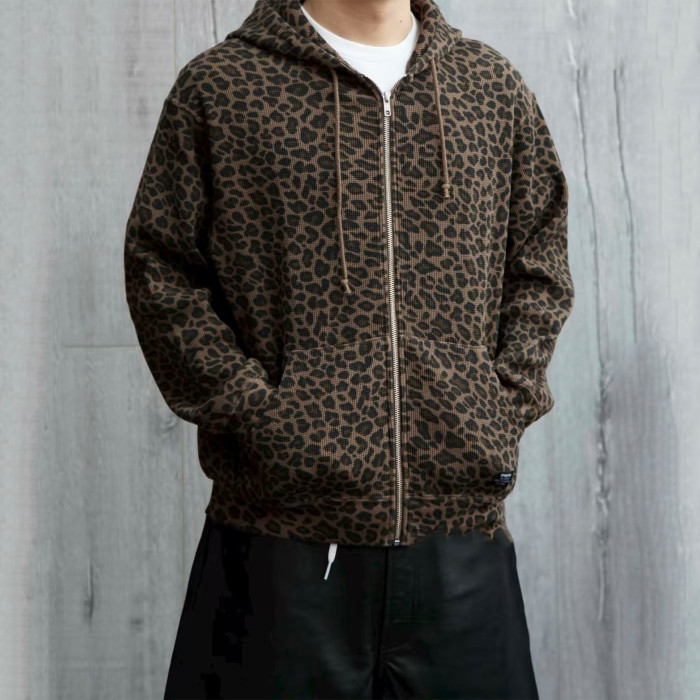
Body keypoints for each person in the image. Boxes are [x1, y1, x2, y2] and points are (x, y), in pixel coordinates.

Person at [123, 0, 575, 697]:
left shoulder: (489, 87)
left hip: (460, 550)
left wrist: (498, 405)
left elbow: (539, 262)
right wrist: (262, 419)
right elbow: (161, 271)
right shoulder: (224, 87)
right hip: (280, 553)